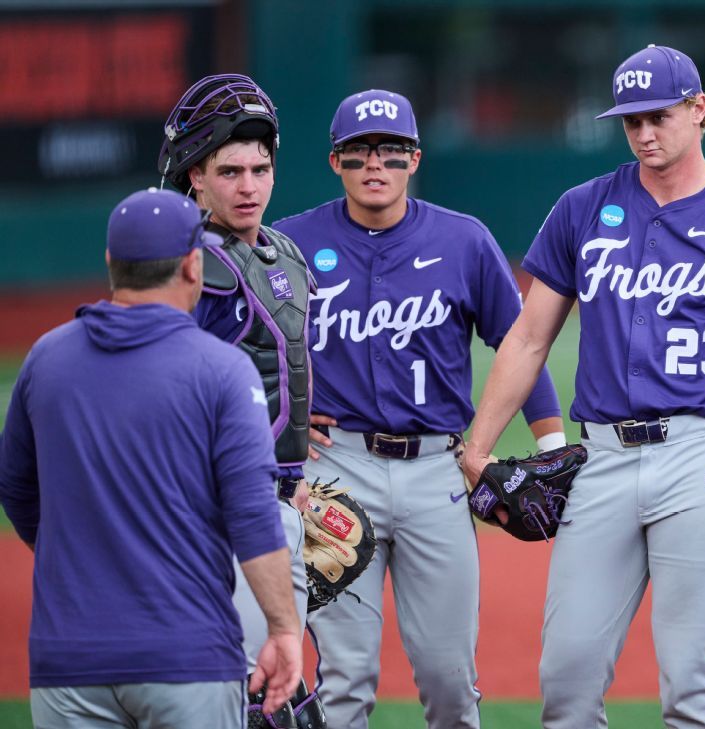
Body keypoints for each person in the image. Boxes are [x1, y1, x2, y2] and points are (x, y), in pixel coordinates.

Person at [459, 45, 705, 727]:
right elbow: (529, 338)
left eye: (659, 116)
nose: (645, 133)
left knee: (687, 683)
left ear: (698, 109)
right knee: (565, 678)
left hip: (700, 452)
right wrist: (478, 446)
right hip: (602, 458)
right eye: (632, 121)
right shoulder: (584, 208)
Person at [273, 89, 566, 728]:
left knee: (449, 678)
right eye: (358, 153)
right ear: (334, 162)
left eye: (391, 152)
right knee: (347, 677)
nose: (374, 164)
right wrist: (284, 417)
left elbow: (521, 344)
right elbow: (239, 345)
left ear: (415, 159)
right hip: (336, 475)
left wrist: (551, 447)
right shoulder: (290, 245)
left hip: (439, 470)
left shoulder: (464, 241)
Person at [0, 188, 302, 728]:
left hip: (67, 663)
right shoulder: (222, 370)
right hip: (188, 658)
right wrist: (282, 629)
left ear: (112, 263)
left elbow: (17, 489)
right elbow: (253, 515)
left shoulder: (45, 360)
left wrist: (80, 560)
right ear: (193, 265)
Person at [158, 73, 316, 723]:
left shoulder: (283, 252)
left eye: (260, 168)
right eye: (230, 171)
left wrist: (297, 473)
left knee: (276, 693)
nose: (249, 185)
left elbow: (283, 363)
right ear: (195, 177)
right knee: (257, 701)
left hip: (278, 499)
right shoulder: (191, 264)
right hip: (217, 510)